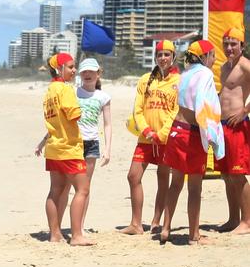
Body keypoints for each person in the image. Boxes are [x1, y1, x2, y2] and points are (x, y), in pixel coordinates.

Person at [35, 57, 112, 234]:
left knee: (81, 188)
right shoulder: (69, 91)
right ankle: (67, 231)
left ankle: (75, 228)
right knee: (75, 189)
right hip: (71, 144)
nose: (83, 73)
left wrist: (107, 149)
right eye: (77, 69)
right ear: (61, 68)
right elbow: (68, 118)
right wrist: (43, 140)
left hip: (88, 143)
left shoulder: (102, 96)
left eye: (91, 71)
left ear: (98, 74)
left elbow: (107, 124)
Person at [160, 39, 224, 244]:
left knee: (175, 184)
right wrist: (213, 136)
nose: (213, 60)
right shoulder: (205, 74)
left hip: (176, 131)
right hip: (192, 134)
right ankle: (194, 235)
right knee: (195, 187)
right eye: (212, 55)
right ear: (205, 57)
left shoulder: (184, 74)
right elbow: (205, 106)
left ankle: (165, 228)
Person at [120, 40, 180, 235]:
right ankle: (136, 224)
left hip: (165, 139)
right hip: (146, 138)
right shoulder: (146, 79)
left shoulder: (178, 81)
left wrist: (161, 134)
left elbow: (175, 112)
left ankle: (155, 221)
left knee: (163, 178)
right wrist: (146, 131)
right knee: (133, 176)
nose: (163, 58)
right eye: (159, 54)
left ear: (173, 56)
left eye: (167, 54)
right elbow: (137, 109)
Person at [41, 52, 94, 246]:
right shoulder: (65, 89)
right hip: (69, 148)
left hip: (54, 147)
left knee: (55, 190)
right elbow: (74, 115)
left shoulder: (49, 91)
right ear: (59, 69)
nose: (74, 71)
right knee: (83, 189)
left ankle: (55, 235)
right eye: (70, 67)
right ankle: (77, 235)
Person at [215, 27, 250, 234]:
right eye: (226, 43)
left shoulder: (245, 66)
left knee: (238, 174)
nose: (229, 48)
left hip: (238, 126)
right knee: (227, 175)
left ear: (242, 46)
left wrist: (245, 111)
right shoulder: (223, 68)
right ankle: (233, 219)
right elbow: (224, 92)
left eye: (233, 44)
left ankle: (247, 221)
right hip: (222, 126)